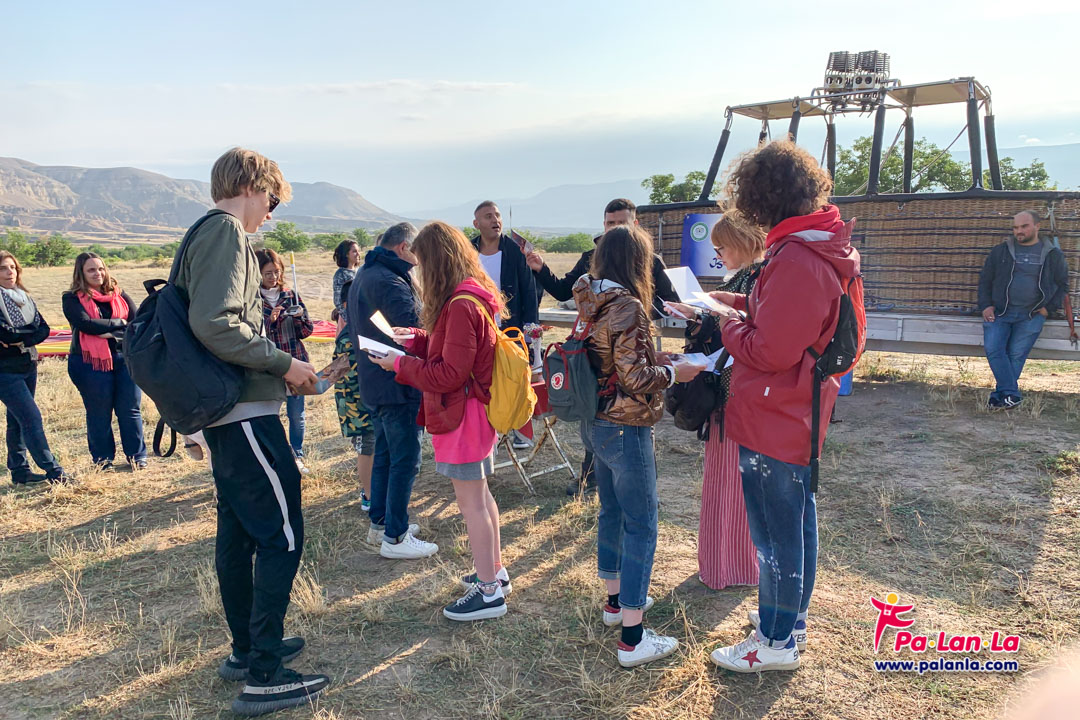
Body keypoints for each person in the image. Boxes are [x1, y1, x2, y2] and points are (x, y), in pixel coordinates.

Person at [176, 147, 328, 714]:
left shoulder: (208, 232)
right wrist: (284, 364)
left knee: (240, 536)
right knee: (282, 535)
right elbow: (215, 321)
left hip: (232, 411)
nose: (271, 214)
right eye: (274, 201)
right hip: (243, 415)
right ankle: (265, 671)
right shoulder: (225, 233)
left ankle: (246, 650)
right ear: (255, 185)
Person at [707, 141, 859, 673]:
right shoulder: (812, 245)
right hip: (793, 410)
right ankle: (788, 621)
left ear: (760, 197)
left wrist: (727, 326)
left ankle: (774, 644)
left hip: (777, 414)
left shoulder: (797, 256)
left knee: (775, 532)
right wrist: (743, 303)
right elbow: (791, 318)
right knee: (795, 523)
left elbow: (771, 349)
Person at [574, 224, 704, 668]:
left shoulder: (591, 299)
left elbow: (610, 359)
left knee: (611, 512)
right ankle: (633, 636)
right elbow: (633, 378)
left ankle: (615, 604)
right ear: (636, 261)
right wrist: (672, 374)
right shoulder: (627, 305)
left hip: (595, 420)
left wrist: (656, 359)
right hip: (626, 426)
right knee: (642, 523)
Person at [369, 221, 509, 621]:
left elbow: (449, 373)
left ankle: (488, 593)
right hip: (472, 412)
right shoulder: (466, 298)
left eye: (422, 263)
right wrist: (414, 339)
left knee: (471, 505)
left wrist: (402, 364)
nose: (419, 272)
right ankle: (494, 574)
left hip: (462, 414)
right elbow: (452, 350)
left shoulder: (461, 304)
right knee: (480, 499)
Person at [526, 198, 679, 495]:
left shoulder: (650, 259)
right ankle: (593, 478)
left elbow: (669, 302)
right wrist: (542, 269)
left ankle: (638, 489)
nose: (613, 230)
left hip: (631, 346)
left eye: (620, 224)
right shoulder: (590, 257)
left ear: (635, 225)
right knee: (598, 409)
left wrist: (635, 316)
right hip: (597, 354)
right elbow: (562, 290)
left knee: (629, 414)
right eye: (609, 224)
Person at [665, 212, 765, 590]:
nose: (719, 254)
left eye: (722, 247)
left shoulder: (757, 277)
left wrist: (701, 315)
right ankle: (724, 563)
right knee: (726, 483)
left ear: (741, 241)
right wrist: (697, 315)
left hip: (738, 392)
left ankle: (733, 566)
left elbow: (739, 330)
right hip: (728, 392)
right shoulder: (746, 277)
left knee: (735, 486)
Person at [348, 222, 435, 559]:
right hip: (397, 381)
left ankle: (381, 524)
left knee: (385, 455)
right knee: (405, 460)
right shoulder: (390, 281)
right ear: (403, 248)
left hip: (375, 381)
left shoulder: (367, 274)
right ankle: (396, 537)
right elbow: (413, 331)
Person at [62, 252, 146, 471]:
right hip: (89, 363)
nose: (98, 273)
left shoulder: (120, 294)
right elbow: (85, 324)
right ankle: (103, 459)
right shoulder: (71, 298)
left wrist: (110, 332)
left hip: (124, 359)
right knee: (99, 411)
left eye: (100, 268)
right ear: (81, 273)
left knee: (130, 409)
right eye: (91, 270)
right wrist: (120, 323)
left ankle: (137, 456)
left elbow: (137, 323)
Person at [978, 210, 1068, 410]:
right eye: (1015, 227)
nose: (1019, 231)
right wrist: (986, 305)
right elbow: (985, 280)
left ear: (1037, 226)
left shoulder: (1053, 254)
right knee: (993, 349)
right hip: (1000, 312)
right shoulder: (1000, 251)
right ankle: (1011, 394)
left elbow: (1062, 285)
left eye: (1024, 226)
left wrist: (1047, 310)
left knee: (1016, 355)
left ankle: (1000, 396)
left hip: (1032, 315)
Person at [471, 201, 539, 450]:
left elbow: (529, 291)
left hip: (510, 329)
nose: (495, 220)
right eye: (488, 216)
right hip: (478, 329)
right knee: (484, 379)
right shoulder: (468, 251)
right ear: (477, 224)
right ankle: (489, 430)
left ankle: (520, 429)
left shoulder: (513, 251)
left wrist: (531, 328)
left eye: (497, 215)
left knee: (515, 378)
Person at [0, 251, 72, 485]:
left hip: (28, 364)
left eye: (12, 267)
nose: (10, 272)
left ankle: (20, 472)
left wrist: (19, 338)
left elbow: (44, 330)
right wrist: (23, 335)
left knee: (17, 420)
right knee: (31, 418)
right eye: (3, 268)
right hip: (4, 370)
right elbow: (5, 334)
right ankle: (54, 470)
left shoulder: (23, 298)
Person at [255, 248, 314, 474]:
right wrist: (271, 321)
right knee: (271, 413)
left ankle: (297, 454)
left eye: (277, 272)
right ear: (258, 274)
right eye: (268, 273)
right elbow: (255, 337)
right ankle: (275, 455)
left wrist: (300, 318)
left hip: (295, 360)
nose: (273, 277)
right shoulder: (252, 300)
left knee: (296, 413)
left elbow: (307, 331)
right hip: (269, 365)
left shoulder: (291, 296)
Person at [334, 278, 375, 511]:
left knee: (373, 445)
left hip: (367, 400)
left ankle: (372, 490)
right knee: (367, 447)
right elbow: (340, 373)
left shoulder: (359, 328)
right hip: (356, 403)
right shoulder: (350, 336)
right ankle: (368, 495)